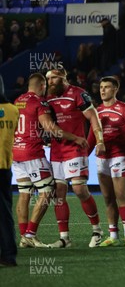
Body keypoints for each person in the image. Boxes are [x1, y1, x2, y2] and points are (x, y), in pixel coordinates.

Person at [13, 74, 86, 248]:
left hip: (16, 153)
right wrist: (74, 138)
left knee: (24, 194)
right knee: (47, 192)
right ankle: (30, 234)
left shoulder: (17, 101)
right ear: (41, 85)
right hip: (32, 154)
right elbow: (50, 127)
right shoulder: (39, 102)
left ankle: (24, 236)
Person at [45, 68, 104, 248]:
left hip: (75, 149)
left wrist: (100, 139)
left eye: (53, 78)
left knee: (79, 190)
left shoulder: (78, 94)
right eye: (48, 79)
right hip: (56, 152)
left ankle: (97, 230)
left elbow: (93, 117)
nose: (50, 82)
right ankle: (64, 238)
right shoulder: (48, 98)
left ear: (63, 77)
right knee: (58, 195)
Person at [88, 76, 125, 246]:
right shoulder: (96, 111)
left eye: (107, 87)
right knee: (107, 198)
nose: (102, 90)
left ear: (115, 89)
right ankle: (113, 236)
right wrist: (83, 156)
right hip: (102, 158)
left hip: (119, 156)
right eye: (101, 87)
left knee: (121, 195)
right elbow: (91, 137)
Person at [0, 76, 19, 266]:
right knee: (5, 212)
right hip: (5, 167)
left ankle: (7, 253)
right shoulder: (13, 111)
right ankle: (8, 253)